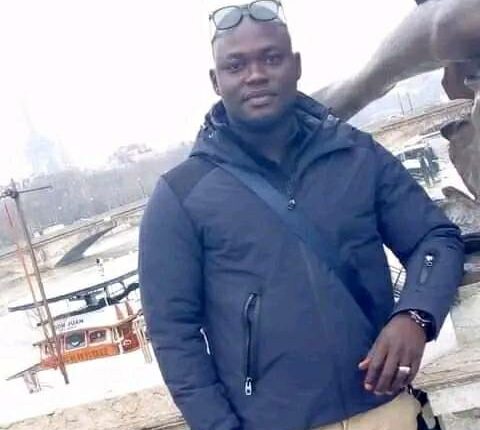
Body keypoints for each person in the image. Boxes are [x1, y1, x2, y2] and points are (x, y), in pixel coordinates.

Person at [139, 2, 464, 429]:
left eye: (271, 58)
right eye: (236, 65)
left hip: (388, 414)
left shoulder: (356, 155)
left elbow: (435, 238)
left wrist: (416, 316)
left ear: (296, 66)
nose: (256, 75)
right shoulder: (181, 197)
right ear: (216, 81)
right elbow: (174, 333)